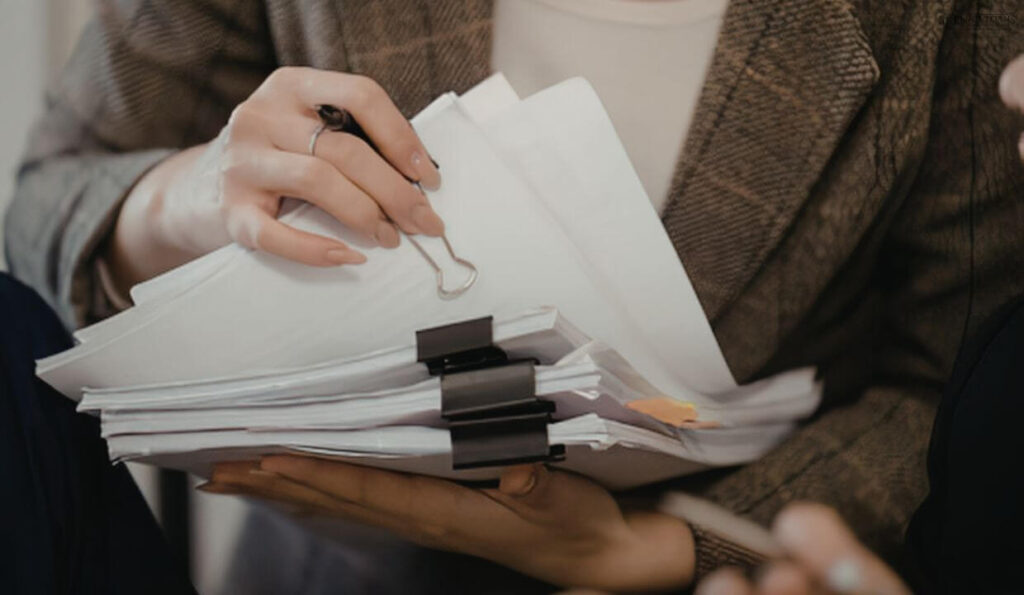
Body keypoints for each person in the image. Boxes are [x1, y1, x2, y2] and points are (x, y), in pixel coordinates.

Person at [5, 0, 1024, 592]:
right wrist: (186, 194)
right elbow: (46, 201)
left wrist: (666, 546)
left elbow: (958, 373)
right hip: (334, 565)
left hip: (731, 570)